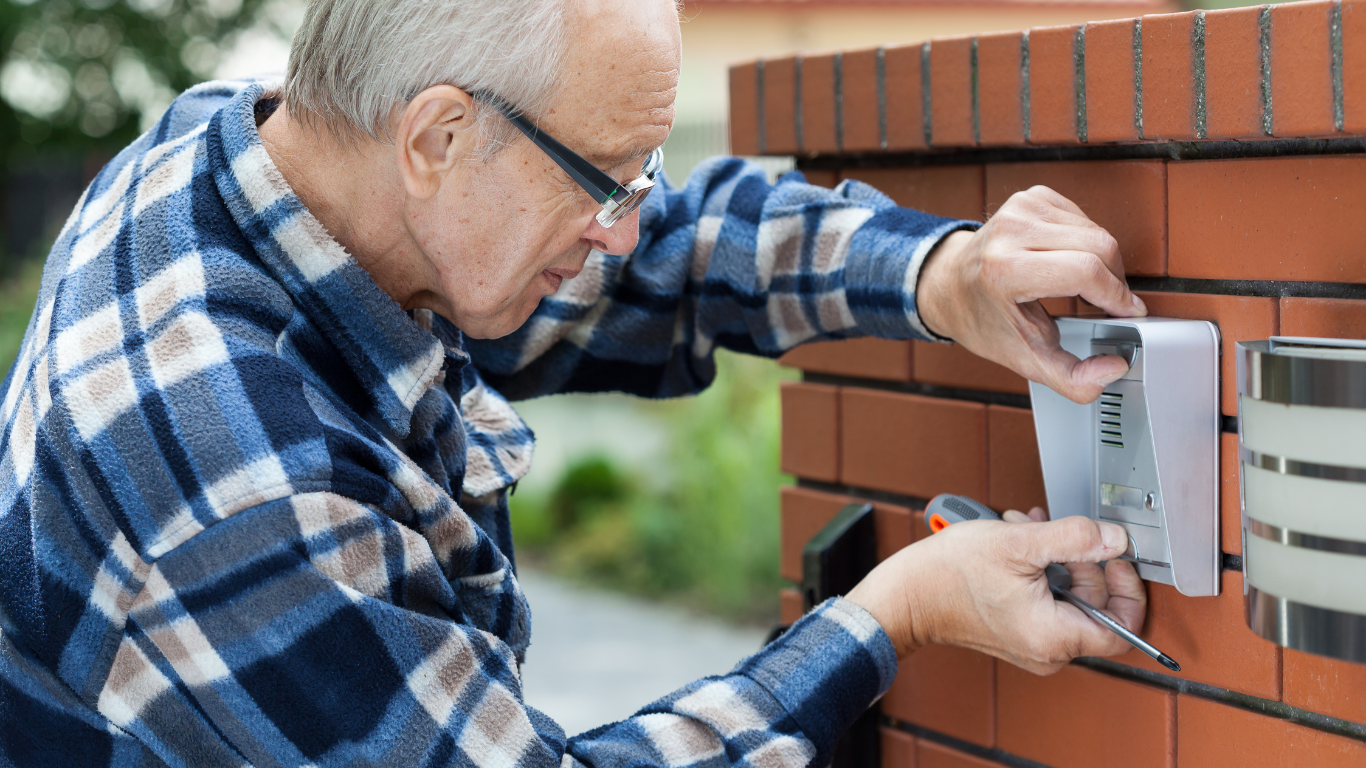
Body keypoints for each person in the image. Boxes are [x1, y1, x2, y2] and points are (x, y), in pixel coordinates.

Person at [0, 1, 1152, 766]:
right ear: (436, 138)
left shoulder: (273, 161)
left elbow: (668, 258)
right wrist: (894, 615)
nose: (625, 227)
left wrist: (934, 273)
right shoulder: (230, 472)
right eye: (606, 180)